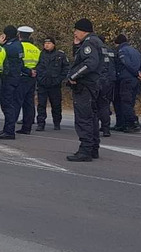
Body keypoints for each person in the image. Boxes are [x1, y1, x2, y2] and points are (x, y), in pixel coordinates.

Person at [65, 19, 103, 162]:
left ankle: (85, 150)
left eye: (76, 30)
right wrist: (76, 46)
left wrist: (74, 76)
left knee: (84, 119)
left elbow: (89, 63)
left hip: (85, 86)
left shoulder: (89, 43)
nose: (74, 33)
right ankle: (93, 148)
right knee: (92, 117)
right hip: (94, 85)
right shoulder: (97, 42)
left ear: (83, 30)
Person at [0, 26, 27, 140]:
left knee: (7, 105)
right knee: (11, 104)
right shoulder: (18, 45)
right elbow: (20, 63)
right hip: (16, 78)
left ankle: (9, 131)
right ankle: (7, 129)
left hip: (8, 79)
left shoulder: (9, 47)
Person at [34, 36, 69, 131]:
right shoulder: (40, 54)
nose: (47, 45)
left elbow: (65, 69)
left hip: (55, 85)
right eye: (45, 43)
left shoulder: (60, 55)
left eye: (49, 43)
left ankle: (57, 123)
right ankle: (41, 124)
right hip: (42, 84)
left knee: (56, 105)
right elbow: (37, 67)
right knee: (41, 105)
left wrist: (59, 79)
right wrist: (39, 78)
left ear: (53, 44)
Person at [114, 34, 141, 133]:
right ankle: (126, 123)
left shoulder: (122, 51)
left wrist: (135, 72)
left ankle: (133, 123)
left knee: (125, 102)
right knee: (130, 102)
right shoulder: (135, 50)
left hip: (126, 79)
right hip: (135, 80)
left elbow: (126, 63)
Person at [16, 26, 39, 134]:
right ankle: (27, 127)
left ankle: (10, 127)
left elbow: (17, 63)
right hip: (32, 78)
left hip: (21, 77)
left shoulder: (19, 46)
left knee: (16, 102)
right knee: (29, 103)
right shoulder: (36, 49)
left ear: (19, 35)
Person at [96, 36, 116, 137]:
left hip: (98, 80)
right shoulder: (110, 50)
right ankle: (106, 129)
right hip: (109, 81)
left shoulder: (95, 50)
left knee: (95, 105)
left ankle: (95, 128)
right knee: (105, 105)